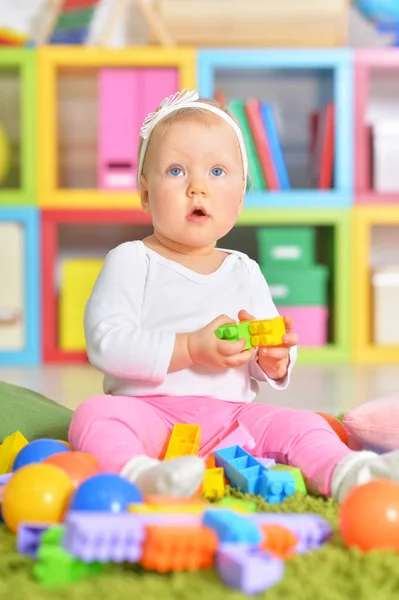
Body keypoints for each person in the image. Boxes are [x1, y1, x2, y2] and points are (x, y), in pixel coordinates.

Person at [69, 90, 399, 502]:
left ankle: (352, 472)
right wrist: (190, 347)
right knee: (94, 416)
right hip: (150, 414)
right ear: (145, 192)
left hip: (233, 420)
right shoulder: (132, 261)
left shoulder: (244, 269)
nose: (197, 188)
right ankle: (140, 475)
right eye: (175, 171)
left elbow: (262, 351)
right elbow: (106, 345)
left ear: (241, 197)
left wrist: (274, 358)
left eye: (217, 172)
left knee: (301, 423)